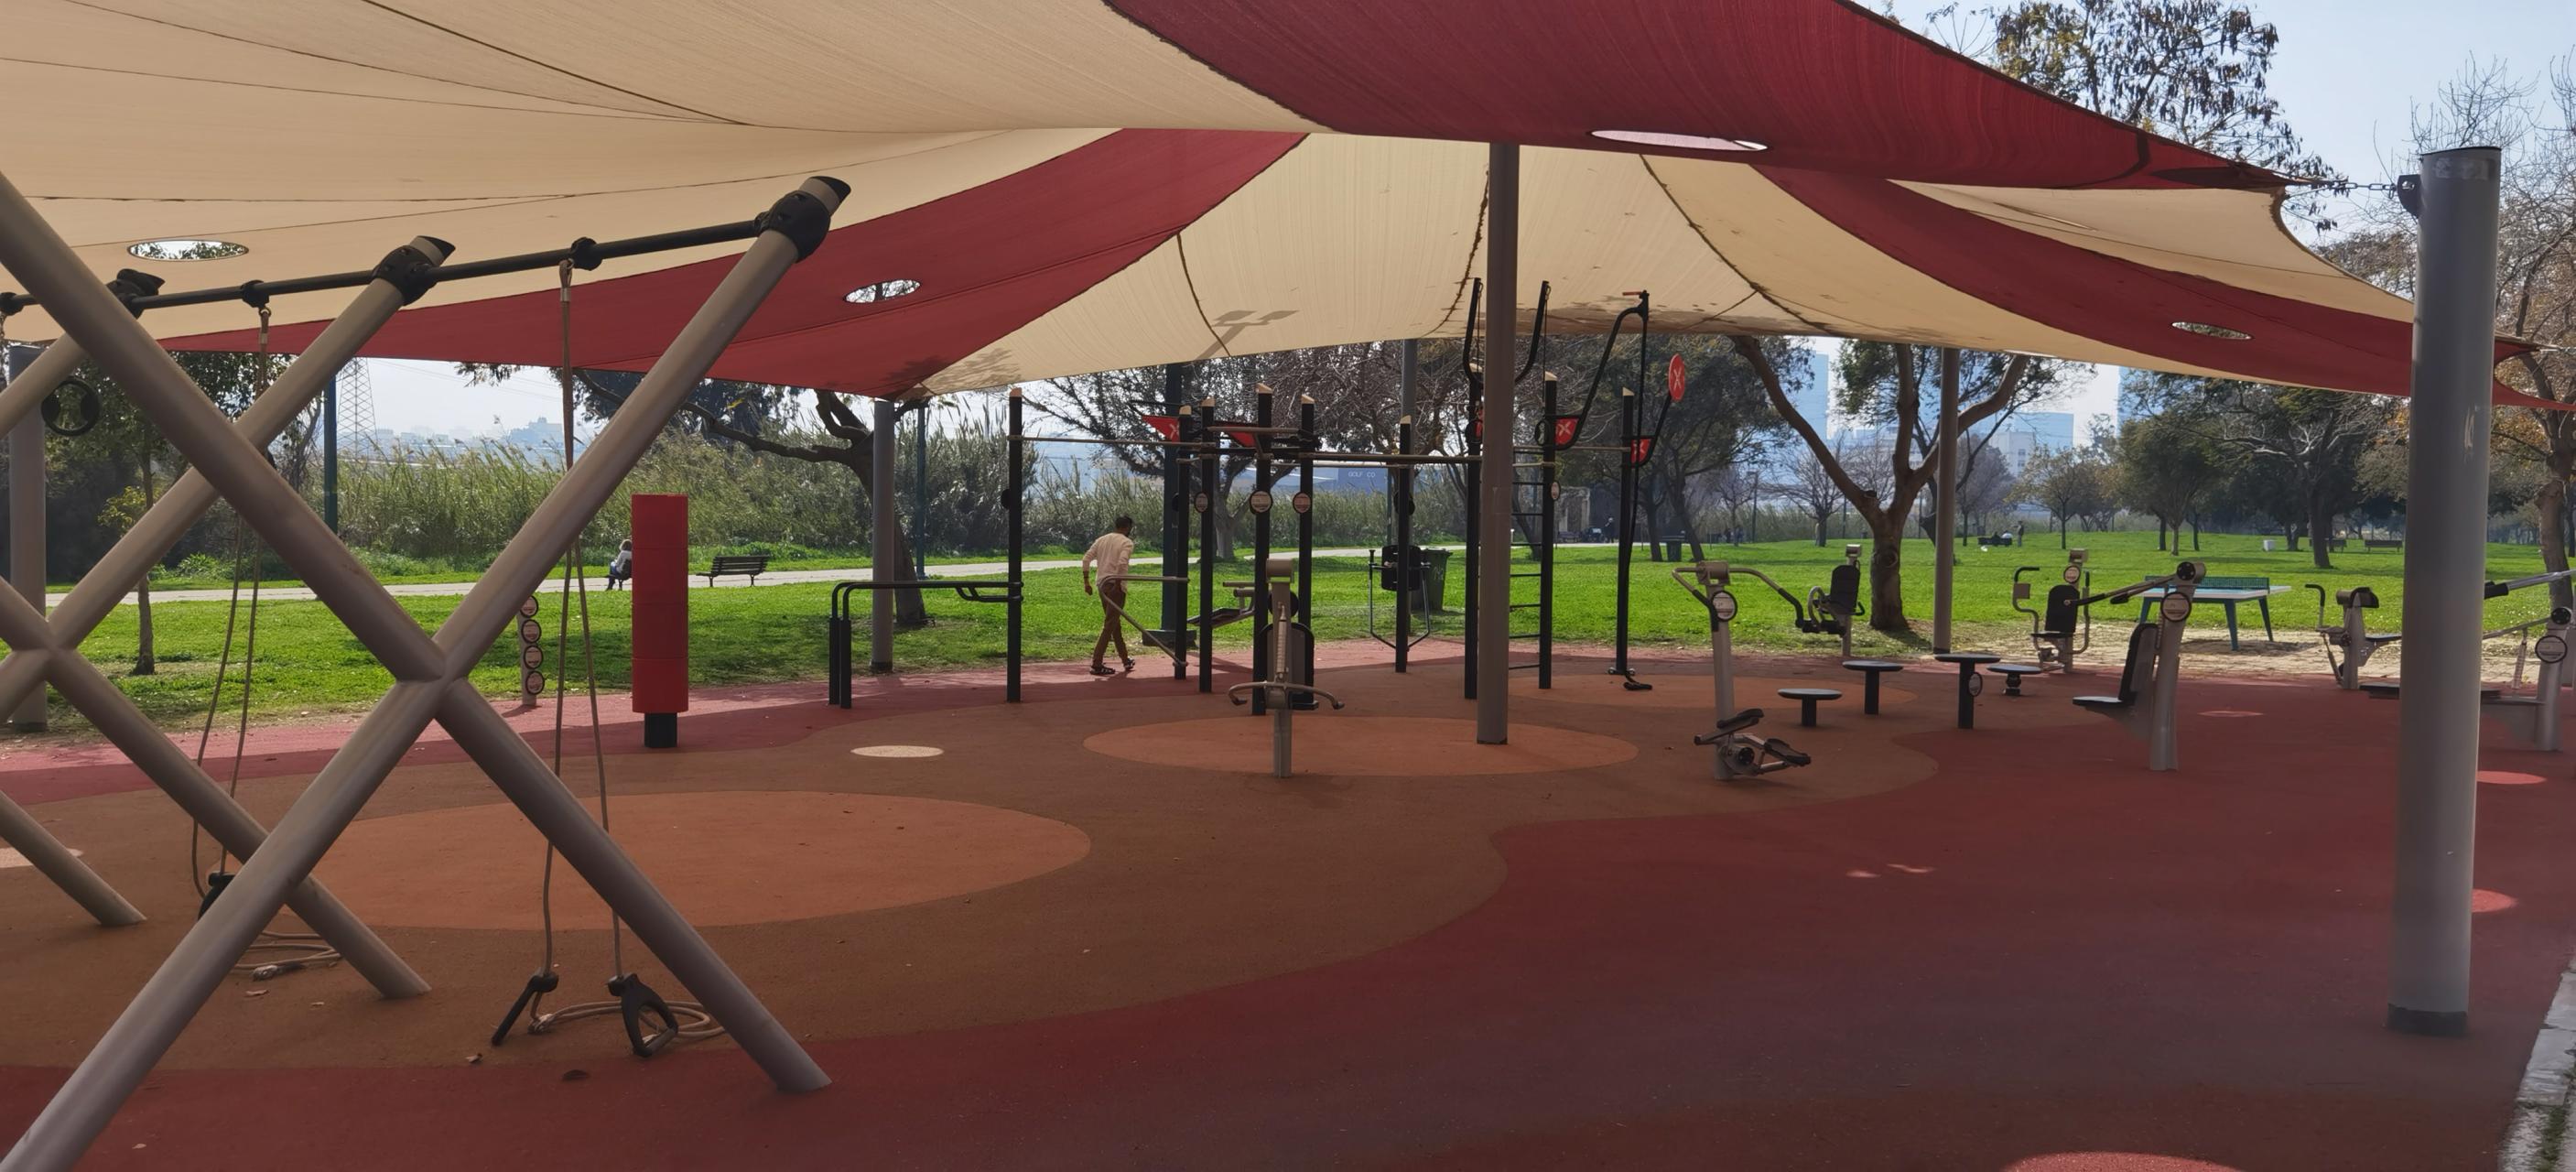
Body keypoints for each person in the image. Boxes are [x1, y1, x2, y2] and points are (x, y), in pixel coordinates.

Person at [1082, 515, 1136, 676]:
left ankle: (1125, 659)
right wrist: (1118, 584)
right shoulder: (1126, 542)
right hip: (1115, 586)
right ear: (1128, 527)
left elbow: (1086, 559)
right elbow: (1122, 563)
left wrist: (1086, 582)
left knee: (1114, 624)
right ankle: (1096, 663)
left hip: (1102, 585)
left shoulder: (1101, 540)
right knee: (1109, 625)